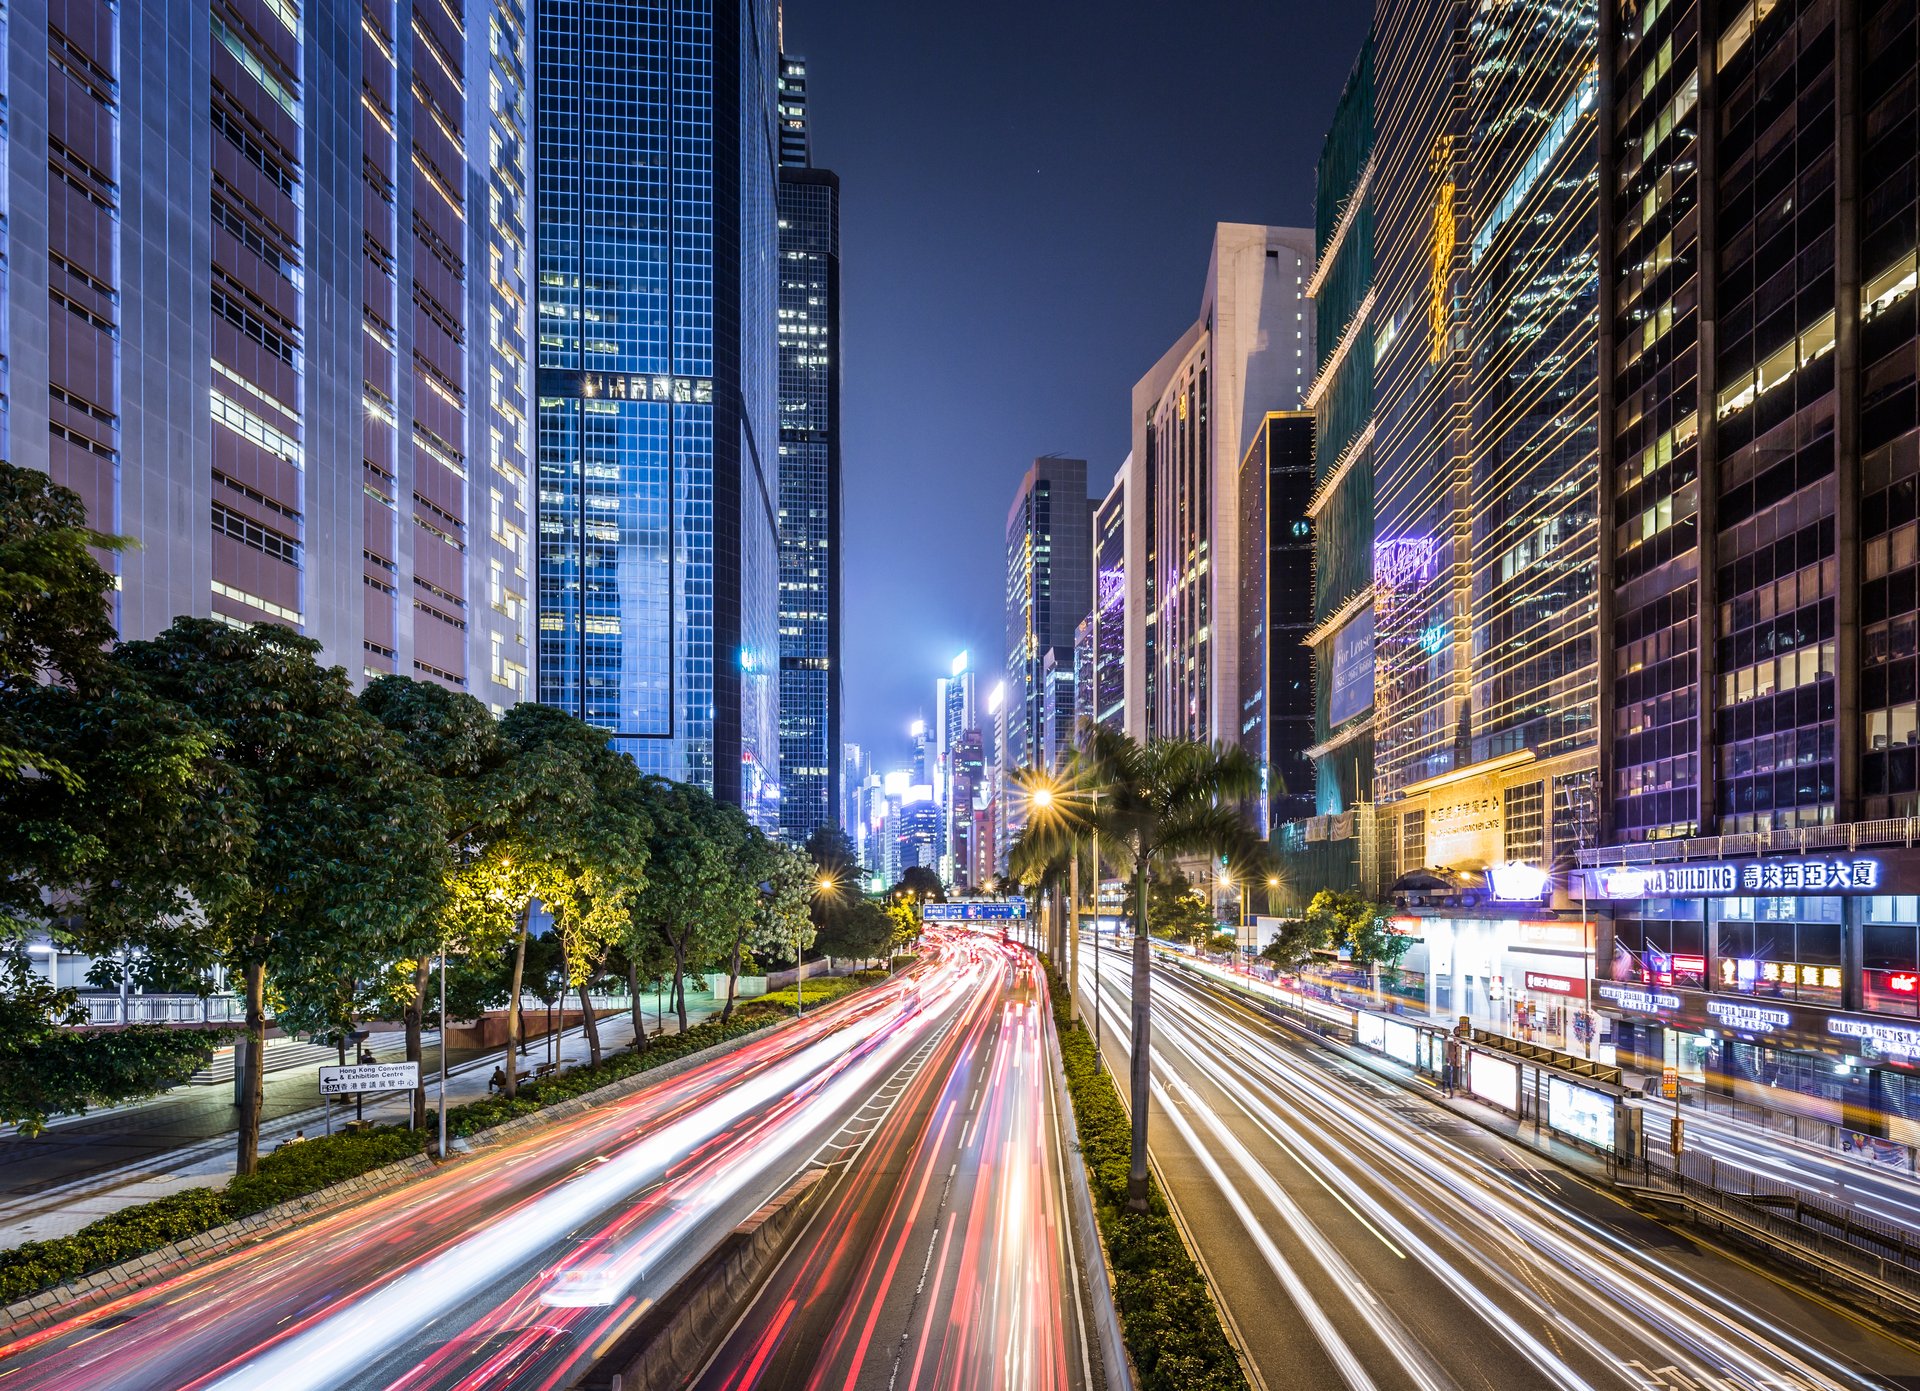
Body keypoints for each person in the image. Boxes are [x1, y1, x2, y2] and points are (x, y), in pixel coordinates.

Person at [1442, 1033, 1462, 1098]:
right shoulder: (1451, 1067)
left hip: (1445, 1078)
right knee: (1450, 1087)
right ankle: (1451, 1096)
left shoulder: (1444, 1067)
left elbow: (1443, 1071)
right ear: (1450, 1061)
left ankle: (1444, 1095)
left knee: (1444, 1087)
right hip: (1450, 1079)